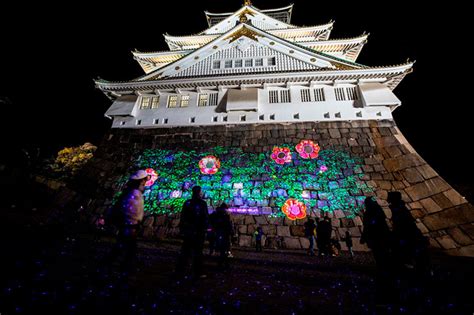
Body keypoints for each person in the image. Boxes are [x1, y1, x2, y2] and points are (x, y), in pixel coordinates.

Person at [102, 169, 149, 277]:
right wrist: (134, 224)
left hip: (128, 225)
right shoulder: (135, 193)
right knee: (126, 249)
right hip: (129, 226)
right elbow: (132, 211)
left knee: (122, 248)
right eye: (144, 180)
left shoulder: (132, 192)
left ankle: (118, 266)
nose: (145, 182)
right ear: (141, 180)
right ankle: (121, 268)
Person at [360, 196, 395, 304]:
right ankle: (387, 273)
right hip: (383, 237)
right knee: (383, 254)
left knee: (379, 254)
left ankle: (384, 273)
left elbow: (368, 226)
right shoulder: (379, 211)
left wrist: (364, 237)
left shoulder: (369, 213)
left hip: (376, 238)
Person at [387, 191, 429, 275]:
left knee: (407, 252)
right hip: (406, 235)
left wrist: (398, 235)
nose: (387, 199)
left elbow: (402, 224)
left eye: (389, 197)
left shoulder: (399, 209)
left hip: (406, 235)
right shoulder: (399, 208)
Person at [176, 186, 209, 278]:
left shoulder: (187, 203)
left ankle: (181, 270)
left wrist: (182, 229)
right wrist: (205, 229)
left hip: (188, 231)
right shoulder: (202, 203)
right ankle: (197, 272)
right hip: (198, 231)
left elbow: (183, 217)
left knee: (185, 251)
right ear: (199, 192)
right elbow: (205, 218)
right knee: (198, 252)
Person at [210, 203, 233, 270]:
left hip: (219, 233)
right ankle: (225, 264)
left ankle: (221, 263)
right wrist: (231, 232)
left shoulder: (216, 214)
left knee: (222, 250)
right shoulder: (225, 215)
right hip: (224, 233)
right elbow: (229, 224)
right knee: (225, 249)